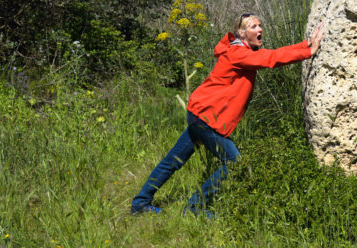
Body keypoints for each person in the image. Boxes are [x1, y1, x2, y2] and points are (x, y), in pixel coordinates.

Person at [131, 13, 324, 216]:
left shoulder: (244, 51)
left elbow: (270, 53)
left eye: (260, 26)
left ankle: (140, 203)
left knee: (173, 161)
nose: (259, 30)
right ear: (241, 33)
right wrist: (308, 52)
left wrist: (304, 45)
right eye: (253, 27)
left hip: (201, 114)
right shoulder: (238, 53)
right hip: (208, 118)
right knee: (233, 162)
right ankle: (194, 208)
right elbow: (270, 59)